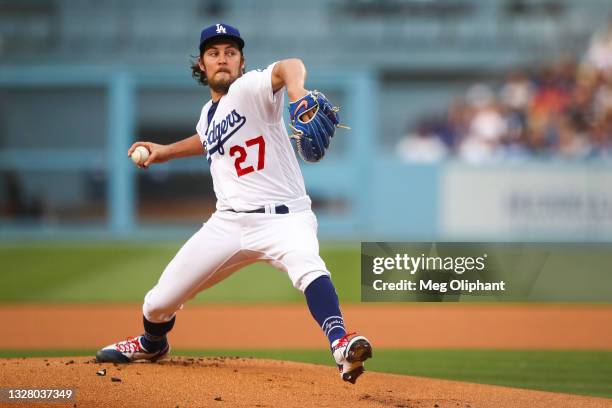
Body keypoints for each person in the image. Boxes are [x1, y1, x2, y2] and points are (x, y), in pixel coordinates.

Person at [96, 23, 372, 384]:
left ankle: (341, 343)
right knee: (157, 303)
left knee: (308, 266)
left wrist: (297, 92)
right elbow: (207, 137)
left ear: (242, 63)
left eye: (231, 52)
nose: (222, 59)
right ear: (201, 65)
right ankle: (152, 343)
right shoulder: (208, 114)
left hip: (284, 218)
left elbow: (289, 65)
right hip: (227, 224)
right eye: (214, 53)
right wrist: (166, 152)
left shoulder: (250, 88)